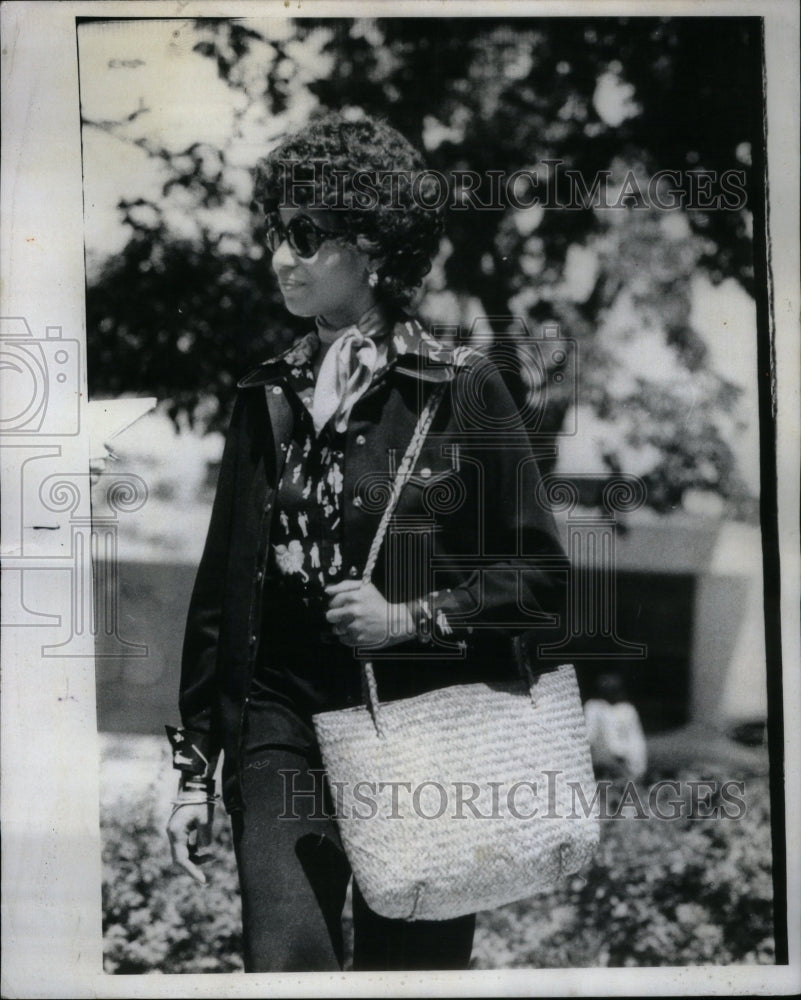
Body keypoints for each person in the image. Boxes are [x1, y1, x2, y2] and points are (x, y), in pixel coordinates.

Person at [166, 112, 568, 972]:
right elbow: (222, 595)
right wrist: (197, 771)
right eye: (276, 230)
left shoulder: (462, 389)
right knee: (286, 966)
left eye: (306, 235)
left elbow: (541, 582)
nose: (282, 255)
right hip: (283, 721)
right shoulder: (264, 396)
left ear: (375, 243)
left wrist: (411, 619)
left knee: (409, 980)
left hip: (419, 732)